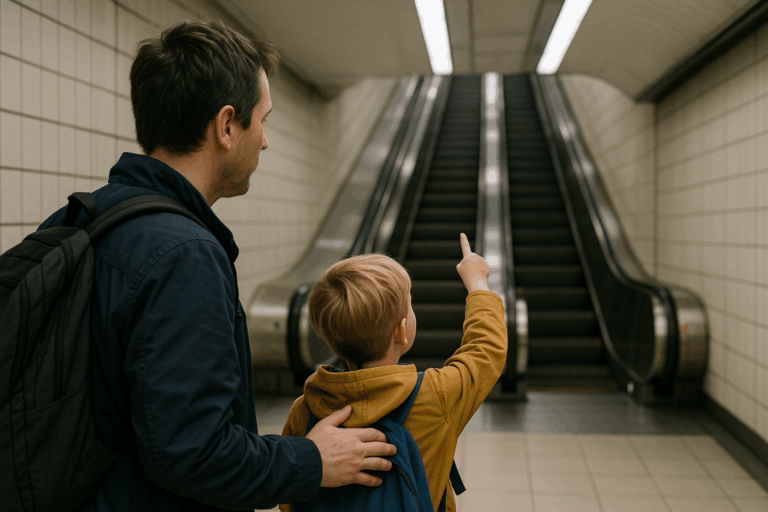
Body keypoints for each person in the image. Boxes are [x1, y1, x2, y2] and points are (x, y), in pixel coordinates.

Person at [35, 20, 396, 511]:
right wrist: (310, 460)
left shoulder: (83, 218)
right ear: (226, 126)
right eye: (262, 120)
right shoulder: (183, 255)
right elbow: (192, 453)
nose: (264, 141)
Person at [278, 233, 508, 512]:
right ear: (401, 331)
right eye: (410, 304)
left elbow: (290, 494)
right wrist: (477, 282)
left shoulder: (305, 410)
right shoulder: (436, 396)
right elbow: (486, 349)